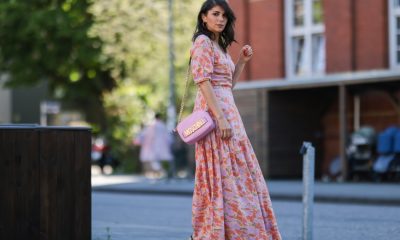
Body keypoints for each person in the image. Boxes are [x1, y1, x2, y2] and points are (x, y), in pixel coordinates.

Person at [188, 1, 282, 239]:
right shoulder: (202, 43)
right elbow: (202, 80)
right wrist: (220, 118)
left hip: (228, 110)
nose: (221, 19)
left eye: (225, 16)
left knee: (237, 171)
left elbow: (228, 85)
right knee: (222, 171)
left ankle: (238, 229)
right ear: (204, 17)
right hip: (215, 114)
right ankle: (218, 230)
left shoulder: (219, 46)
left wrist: (240, 62)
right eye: (215, 14)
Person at [136, 113, 173, 178]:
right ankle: (160, 173)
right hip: (161, 146)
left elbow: (143, 135)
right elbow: (168, 137)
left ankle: (156, 173)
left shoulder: (151, 126)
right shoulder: (163, 126)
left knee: (153, 160)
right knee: (159, 160)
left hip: (151, 146)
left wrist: (139, 141)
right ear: (160, 118)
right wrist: (170, 143)